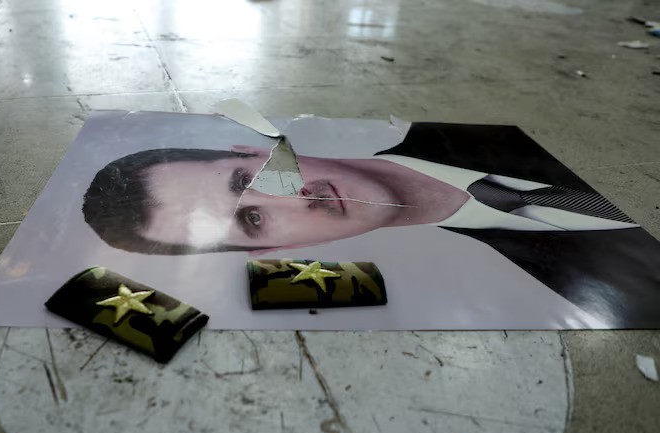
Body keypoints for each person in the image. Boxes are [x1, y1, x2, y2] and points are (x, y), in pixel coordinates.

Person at [83, 123, 660, 326]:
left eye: (247, 178)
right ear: (268, 253)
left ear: (256, 147)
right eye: (254, 219)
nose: (295, 198)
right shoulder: (553, 295)